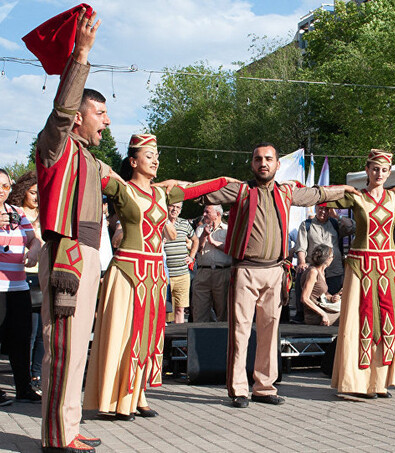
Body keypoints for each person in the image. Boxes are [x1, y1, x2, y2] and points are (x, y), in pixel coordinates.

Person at [83, 134, 233, 420]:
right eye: (148, 155)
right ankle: (114, 399)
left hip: (155, 272)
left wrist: (226, 181)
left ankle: (137, 395)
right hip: (128, 270)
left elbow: (197, 189)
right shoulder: (122, 189)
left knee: (149, 337)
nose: (155, 160)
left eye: (157, 156)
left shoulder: (163, 194)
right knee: (123, 335)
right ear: (133, 160)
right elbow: (94, 169)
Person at [198, 142, 358, 408]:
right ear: (252, 164)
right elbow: (204, 191)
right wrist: (171, 189)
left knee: (270, 331)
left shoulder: (287, 192)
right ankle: (238, 389)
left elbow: (317, 193)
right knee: (239, 332)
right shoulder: (239, 190)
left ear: (277, 164)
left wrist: (347, 190)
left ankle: (264, 387)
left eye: (268, 159)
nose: (263, 163)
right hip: (245, 270)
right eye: (258, 159)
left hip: (275, 271)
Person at [31, 8, 114, 452]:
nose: (106, 121)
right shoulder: (56, 145)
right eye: (100, 112)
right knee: (60, 350)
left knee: (75, 349)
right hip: (66, 256)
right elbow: (60, 111)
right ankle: (56, 439)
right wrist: (80, 56)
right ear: (78, 118)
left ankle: (70, 426)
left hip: (85, 256)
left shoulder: (88, 159)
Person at [328, 149, 395, 398]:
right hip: (360, 266)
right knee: (357, 321)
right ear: (367, 170)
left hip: (388, 266)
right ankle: (354, 383)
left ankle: (378, 382)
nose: (379, 174)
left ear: (390, 173)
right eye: (375, 169)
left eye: (384, 170)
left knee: (386, 323)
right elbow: (321, 200)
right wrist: (342, 188)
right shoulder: (356, 197)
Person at [0, 169, 41, 406]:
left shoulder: (16, 212)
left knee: (21, 338)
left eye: (6, 186)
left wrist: (34, 250)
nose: (2, 191)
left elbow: (33, 238)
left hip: (18, 285)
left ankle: (24, 387)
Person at [292, 204, 354, 322]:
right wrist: (302, 262)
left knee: (331, 302)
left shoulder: (335, 224)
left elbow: (353, 227)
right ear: (315, 208)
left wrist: (337, 216)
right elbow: (301, 248)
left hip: (334, 271)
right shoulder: (307, 225)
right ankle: (304, 316)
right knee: (311, 300)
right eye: (320, 208)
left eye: (326, 209)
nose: (323, 212)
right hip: (315, 271)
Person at [192, 204, 230, 322]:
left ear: (217, 214)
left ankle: (223, 339)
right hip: (203, 272)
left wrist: (214, 243)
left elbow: (231, 250)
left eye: (207, 212)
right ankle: (200, 338)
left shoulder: (227, 229)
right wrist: (204, 235)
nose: (204, 215)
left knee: (223, 311)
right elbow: (197, 248)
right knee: (199, 310)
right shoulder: (200, 229)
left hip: (222, 272)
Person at [163, 201, 197, 323]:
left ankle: (180, 338)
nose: (174, 209)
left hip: (182, 274)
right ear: (167, 207)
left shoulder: (184, 223)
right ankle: (164, 340)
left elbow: (195, 240)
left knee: (180, 309)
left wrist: (192, 256)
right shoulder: (161, 222)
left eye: (178, 207)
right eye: (172, 206)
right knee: (163, 309)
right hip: (165, 274)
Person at [299, 244, 341, 326]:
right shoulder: (313, 272)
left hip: (323, 310)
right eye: (332, 257)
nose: (332, 259)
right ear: (327, 259)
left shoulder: (322, 272)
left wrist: (332, 298)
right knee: (349, 315)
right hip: (314, 315)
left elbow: (324, 293)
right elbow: (304, 298)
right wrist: (323, 314)